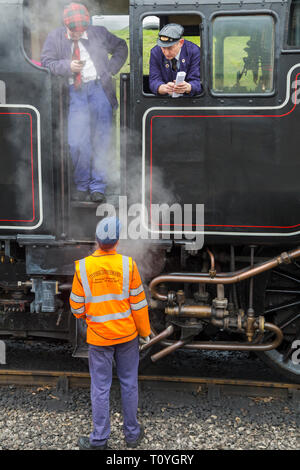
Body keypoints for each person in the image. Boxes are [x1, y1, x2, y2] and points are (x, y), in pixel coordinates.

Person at [69, 216, 151, 450]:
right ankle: (132, 435)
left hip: (99, 338)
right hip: (127, 337)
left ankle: (99, 440)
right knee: (129, 384)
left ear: (96, 241)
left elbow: (76, 307)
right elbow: (138, 304)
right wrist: (144, 331)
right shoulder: (128, 265)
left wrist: (90, 318)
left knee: (100, 388)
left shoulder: (82, 267)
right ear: (117, 241)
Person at [41, 3, 128, 202]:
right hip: (75, 91)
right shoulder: (55, 36)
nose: (78, 35)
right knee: (76, 141)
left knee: (102, 139)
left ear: (87, 26)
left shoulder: (99, 32)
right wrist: (67, 66)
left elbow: (121, 47)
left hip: (99, 89)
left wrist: (110, 71)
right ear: (66, 26)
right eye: (73, 31)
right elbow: (46, 61)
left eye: (81, 31)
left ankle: (98, 186)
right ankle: (82, 183)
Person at [149, 23, 202, 97]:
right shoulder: (155, 52)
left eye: (170, 48)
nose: (166, 53)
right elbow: (154, 80)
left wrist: (188, 87)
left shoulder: (194, 51)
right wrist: (162, 88)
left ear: (181, 43)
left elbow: (198, 82)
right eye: (163, 48)